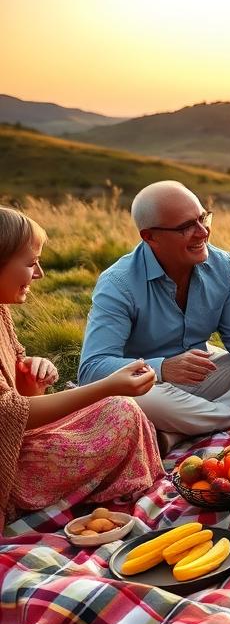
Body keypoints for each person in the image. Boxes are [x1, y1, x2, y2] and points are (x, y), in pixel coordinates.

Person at [78, 181, 230, 449]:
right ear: (150, 237)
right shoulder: (118, 284)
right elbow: (91, 369)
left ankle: (180, 431)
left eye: (203, 218)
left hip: (200, 380)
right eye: (186, 227)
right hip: (152, 388)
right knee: (137, 400)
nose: (203, 231)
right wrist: (162, 368)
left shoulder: (222, 265)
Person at [0, 207, 162, 530]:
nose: (40, 274)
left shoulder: (1, 311)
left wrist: (29, 373)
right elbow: (10, 413)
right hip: (9, 471)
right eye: (31, 263)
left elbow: (18, 396)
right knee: (119, 411)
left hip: (20, 443)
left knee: (121, 409)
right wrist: (107, 386)